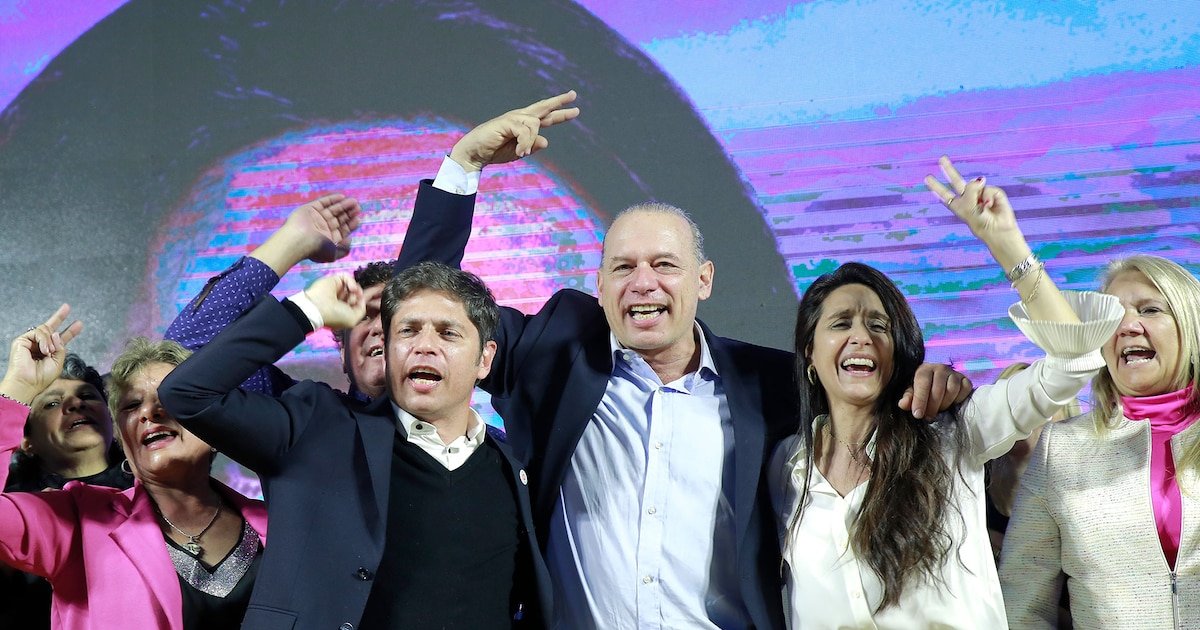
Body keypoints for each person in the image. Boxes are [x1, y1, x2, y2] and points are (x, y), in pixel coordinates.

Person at [400, 108, 976, 629]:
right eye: (623, 268)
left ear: (703, 281)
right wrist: (464, 165)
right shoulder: (552, 352)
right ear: (598, 286)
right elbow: (418, 303)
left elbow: (869, 398)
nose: (643, 283)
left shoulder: (772, 385)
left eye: (664, 265)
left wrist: (933, 385)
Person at [767, 157, 1123, 628]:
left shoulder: (954, 432)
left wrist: (1006, 244)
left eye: (879, 326)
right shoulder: (787, 467)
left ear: (899, 352)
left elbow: (1073, 360)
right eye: (840, 324)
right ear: (810, 355)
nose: (861, 337)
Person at [158, 262, 552, 629]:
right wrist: (307, 310)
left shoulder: (510, 464)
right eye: (406, 330)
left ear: (485, 359)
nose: (424, 346)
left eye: (447, 333)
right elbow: (186, 391)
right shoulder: (313, 425)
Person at [0, 305, 267, 629]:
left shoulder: (281, 524)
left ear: (212, 425)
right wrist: (18, 386)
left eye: (169, 397)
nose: (149, 413)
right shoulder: (76, 520)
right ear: (122, 437)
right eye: (132, 405)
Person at [1001, 254, 1200, 628]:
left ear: (1191, 325)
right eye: (1113, 318)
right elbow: (1022, 604)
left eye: (1150, 309)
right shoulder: (1061, 449)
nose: (1127, 326)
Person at [1, 350, 131, 629]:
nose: (75, 404)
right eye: (52, 403)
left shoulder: (156, 484)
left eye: (87, 396)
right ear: (26, 441)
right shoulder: (13, 508)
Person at [985, 361, 1081, 560]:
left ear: (1066, 414)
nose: (1024, 412)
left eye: (1039, 402)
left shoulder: (1084, 490)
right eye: (1012, 400)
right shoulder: (974, 480)